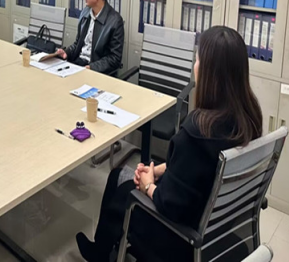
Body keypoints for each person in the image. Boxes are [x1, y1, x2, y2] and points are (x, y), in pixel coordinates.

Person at [76, 26, 263, 262]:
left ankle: (102, 254)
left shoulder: (198, 131)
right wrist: (156, 170)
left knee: (122, 187)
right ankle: (105, 249)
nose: (195, 66)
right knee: (120, 178)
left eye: (197, 60)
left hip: (180, 236)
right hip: (217, 224)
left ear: (209, 72)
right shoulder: (248, 118)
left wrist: (147, 185)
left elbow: (169, 204)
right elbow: (198, 167)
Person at [56, 0, 124, 76]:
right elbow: (77, 44)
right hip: (78, 64)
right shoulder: (85, 12)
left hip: (96, 71)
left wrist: (92, 67)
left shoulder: (115, 21)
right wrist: (67, 52)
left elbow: (114, 58)